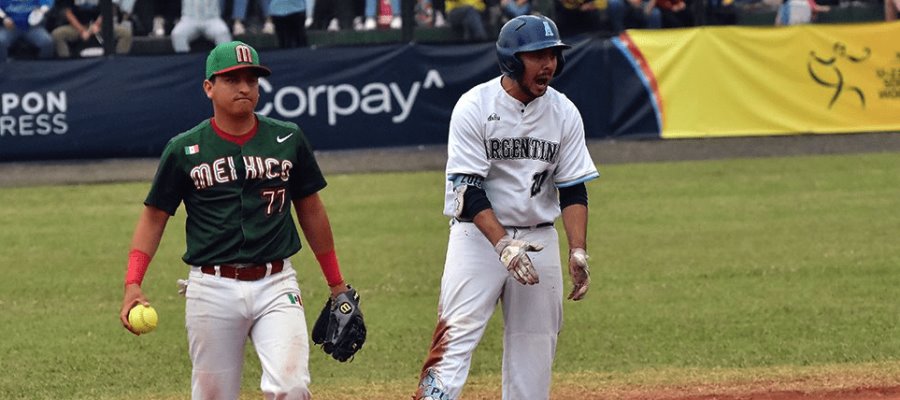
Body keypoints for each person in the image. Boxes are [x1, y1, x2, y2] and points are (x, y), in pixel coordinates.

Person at [118, 40, 355, 400]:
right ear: (208, 87)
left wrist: (337, 283)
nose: (244, 87)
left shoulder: (287, 138)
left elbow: (311, 210)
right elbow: (154, 216)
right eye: (232, 79)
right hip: (211, 288)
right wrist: (133, 283)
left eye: (252, 79)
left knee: (291, 388)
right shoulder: (184, 148)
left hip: (276, 283)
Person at [413, 15, 597, 400]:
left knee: (535, 349)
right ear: (512, 60)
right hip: (476, 239)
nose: (548, 64)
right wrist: (503, 247)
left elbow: (573, 188)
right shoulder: (475, 106)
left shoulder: (564, 112)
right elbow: (468, 189)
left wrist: (577, 249)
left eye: (552, 54)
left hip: (539, 239)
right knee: (456, 337)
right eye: (537, 55)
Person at [51, 0, 133, 57]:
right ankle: (66, 65)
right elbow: (67, 12)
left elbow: (110, 7)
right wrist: (82, 30)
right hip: (76, 26)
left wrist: (97, 25)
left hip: (100, 25)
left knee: (125, 33)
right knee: (57, 34)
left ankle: (118, 63)